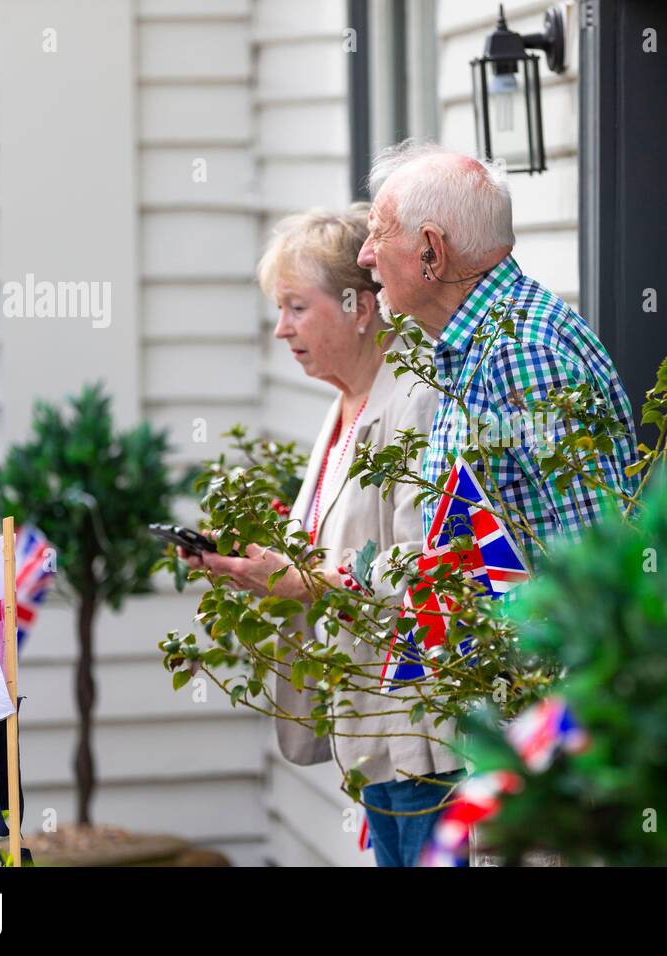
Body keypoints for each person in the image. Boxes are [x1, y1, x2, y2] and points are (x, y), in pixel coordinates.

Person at [182, 205, 462, 867]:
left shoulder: (412, 404)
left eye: (296, 309)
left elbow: (425, 572)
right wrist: (256, 561)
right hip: (371, 735)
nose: (280, 330)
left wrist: (298, 582)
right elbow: (334, 553)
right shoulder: (342, 406)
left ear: (361, 307)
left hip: (421, 737)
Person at [357, 140, 638, 562]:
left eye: (378, 232)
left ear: (430, 250)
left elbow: (601, 560)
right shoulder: (484, 339)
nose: (365, 256)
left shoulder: (517, 350)